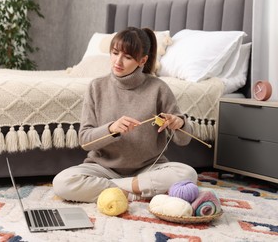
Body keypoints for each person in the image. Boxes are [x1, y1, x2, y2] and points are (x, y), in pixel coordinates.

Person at [53, 27, 197, 203]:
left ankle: (115, 188)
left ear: (142, 60)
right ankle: (134, 190)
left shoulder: (159, 88)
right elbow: (85, 141)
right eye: (114, 53)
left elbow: (183, 140)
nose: (118, 61)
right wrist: (111, 129)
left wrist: (179, 124)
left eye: (127, 57)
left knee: (188, 174)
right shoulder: (96, 87)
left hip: (149, 168)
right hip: (103, 168)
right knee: (62, 182)